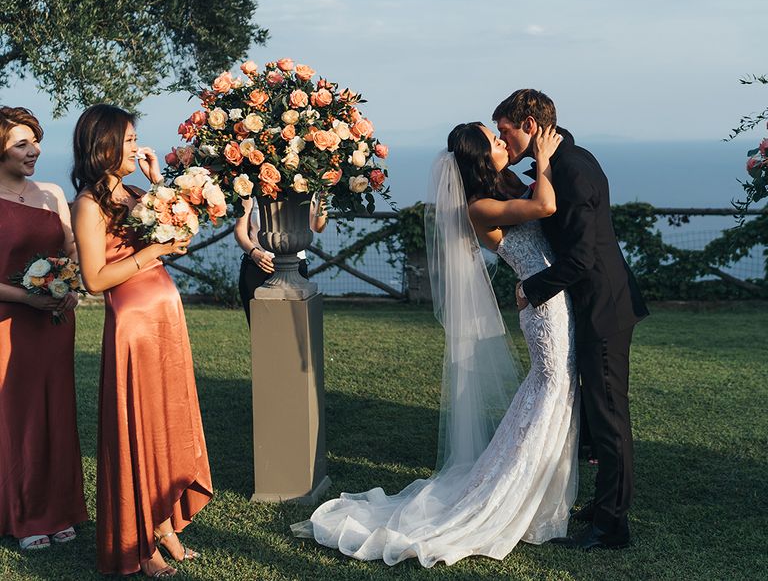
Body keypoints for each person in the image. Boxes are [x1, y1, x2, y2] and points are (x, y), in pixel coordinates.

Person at [292, 123, 578, 567]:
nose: (504, 143)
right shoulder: (480, 206)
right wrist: (542, 155)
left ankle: (538, 493)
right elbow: (546, 204)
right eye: (495, 140)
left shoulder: (502, 191)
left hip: (552, 299)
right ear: (481, 157)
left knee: (552, 391)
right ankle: (510, 495)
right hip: (544, 311)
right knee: (550, 390)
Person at [493, 88, 649, 550]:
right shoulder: (562, 163)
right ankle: (603, 508)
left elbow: (580, 258)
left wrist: (529, 289)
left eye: (505, 131)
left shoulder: (573, 171)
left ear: (530, 126)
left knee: (608, 420)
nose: (503, 141)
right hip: (591, 306)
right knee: (596, 414)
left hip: (603, 309)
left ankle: (611, 528)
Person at [71, 104, 213, 578]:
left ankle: (166, 520)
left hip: (165, 319)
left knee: (168, 418)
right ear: (105, 145)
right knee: (140, 424)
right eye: (130, 140)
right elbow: (94, 278)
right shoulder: (89, 204)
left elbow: (181, 231)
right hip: (133, 327)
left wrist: (158, 184)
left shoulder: (136, 192)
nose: (137, 146)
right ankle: (139, 539)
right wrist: (152, 253)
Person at [0, 106, 87, 552]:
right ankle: (24, 514)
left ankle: (60, 509)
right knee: (19, 419)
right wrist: (27, 298)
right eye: (21, 143)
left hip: (56, 321)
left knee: (57, 414)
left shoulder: (53, 194)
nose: (34, 150)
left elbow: (73, 254)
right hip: (9, 323)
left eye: (35, 141)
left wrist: (70, 287)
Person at [234, 194, 327, 325]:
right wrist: (254, 253)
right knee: (260, 328)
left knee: (293, 326)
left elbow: (318, 227)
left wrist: (323, 198)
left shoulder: (304, 190)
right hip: (257, 266)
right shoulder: (251, 191)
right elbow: (239, 230)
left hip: (295, 268)